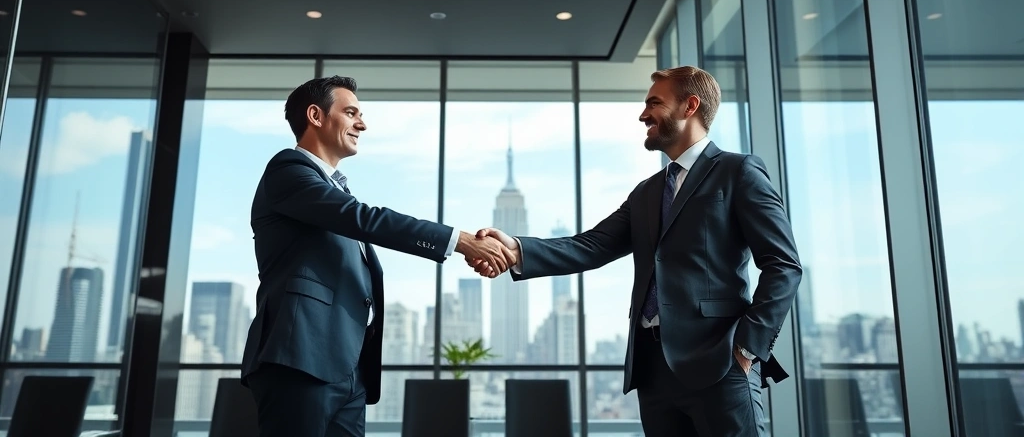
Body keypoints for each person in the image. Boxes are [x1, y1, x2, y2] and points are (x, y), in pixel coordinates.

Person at [473, 66, 802, 437]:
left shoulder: (738, 171)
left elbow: (784, 265)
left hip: (719, 364)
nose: (643, 114)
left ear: (690, 106)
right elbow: (591, 245)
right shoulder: (646, 192)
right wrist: (514, 248)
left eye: (654, 103)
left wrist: (746, 348)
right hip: (653, 371)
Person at [241, 75, 513, 437]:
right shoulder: (289, 171)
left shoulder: (332, 189)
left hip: (348, 369)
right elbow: (366, 220)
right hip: (299, 361)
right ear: (315, 116)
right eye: (351, 112)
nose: (362, 124)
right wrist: (459, 240)